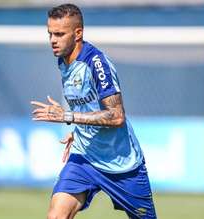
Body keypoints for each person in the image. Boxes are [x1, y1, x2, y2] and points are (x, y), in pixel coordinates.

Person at [31, 3, 157, 219]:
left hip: (122, 166)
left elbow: (116, 116)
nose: (53, 40)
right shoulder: (63, 61)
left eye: (59, 34)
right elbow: (86, 103)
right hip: (85, 158)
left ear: (78, 33)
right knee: (56, 216)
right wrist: (78, 129)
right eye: (50, 33)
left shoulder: (97, 63)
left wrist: (68, 117)